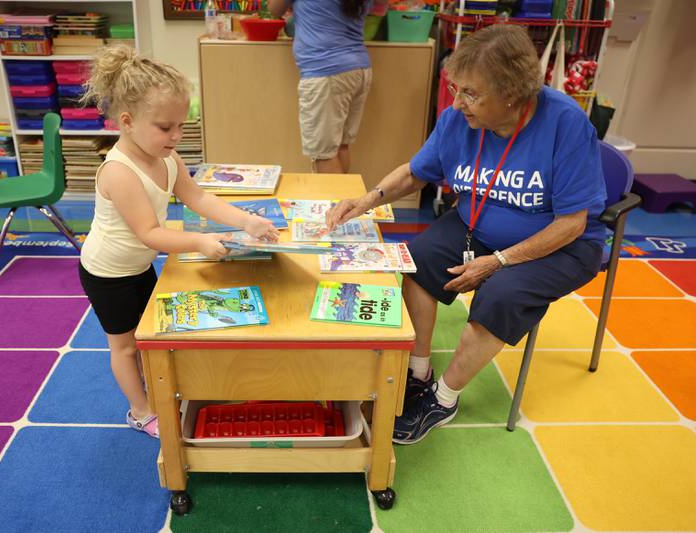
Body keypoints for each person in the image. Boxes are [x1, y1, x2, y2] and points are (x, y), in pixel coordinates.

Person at [326, 24, 607, 445]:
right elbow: (415, 172)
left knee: (499, 295)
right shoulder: (457, 120)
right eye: (455, 89)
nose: (457, 103)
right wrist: (365, 200)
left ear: (512, 92)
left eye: (471, 94)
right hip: (476, 225)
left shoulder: (564, 123)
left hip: (559, 243)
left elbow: (572, 223)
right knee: (417, 260)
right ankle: (419, 370)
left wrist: (499, 262)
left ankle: (443, 398)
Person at [78, 45, 279, 438]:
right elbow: (149, 233)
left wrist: (248, 221)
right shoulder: (119, 172)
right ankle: (139, 410)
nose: (176, 136)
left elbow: (198, 198)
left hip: (136, 266)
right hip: (107, 273)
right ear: (127, 122)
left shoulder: (168, 157)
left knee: (148, 336)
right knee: (125, 347)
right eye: (165, 127)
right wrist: (201, 242)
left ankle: (156, 393)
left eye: (181, 126)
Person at [268, 0, 384, 174]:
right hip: (358, 68)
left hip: (326, 72)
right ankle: (344, 200)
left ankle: (336, 202)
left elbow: (274, 9)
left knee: (324, 154)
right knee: (340, 147)